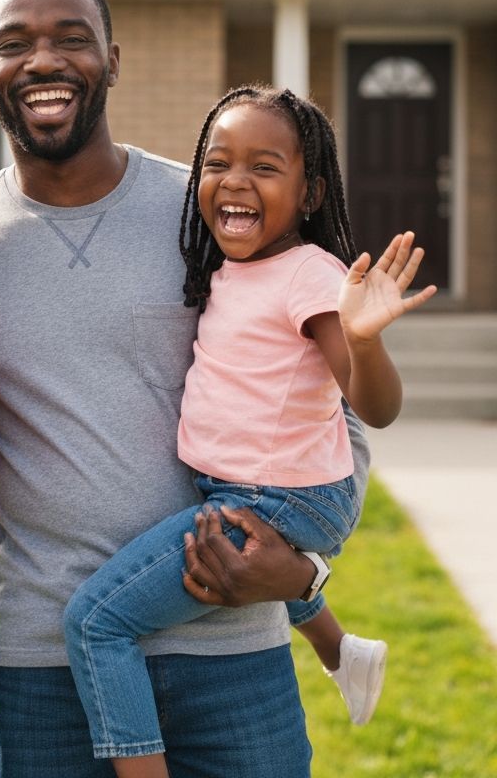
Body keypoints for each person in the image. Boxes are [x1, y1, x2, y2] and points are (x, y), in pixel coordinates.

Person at [0, 0, 372, 778]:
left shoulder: (213, 211)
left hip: (230, 646)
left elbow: (331, 402)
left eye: (73, 37)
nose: (46, 60)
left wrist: (306, 564)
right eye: (16, 41)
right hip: (44, 660)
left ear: (113, 59)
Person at [62, 85, 436, 778]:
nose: (235, 181)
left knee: (95, 623)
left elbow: (374, 406)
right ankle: (340, 649)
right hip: (257, 486)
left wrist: (363, 338)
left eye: (264, 167)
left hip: (273, 497)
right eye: (217, 162)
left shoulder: (309, 277)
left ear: (311, 193)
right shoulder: (235, 266)